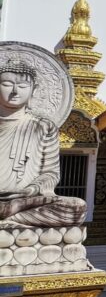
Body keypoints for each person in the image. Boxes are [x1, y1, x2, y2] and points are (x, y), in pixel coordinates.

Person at [0, 63, 85, 227]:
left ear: (33, 90)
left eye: (23, 86)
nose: (15, 91)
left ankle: (11, 220)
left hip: (26, 200)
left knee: (76, 207)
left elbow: (51, 174)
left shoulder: (45, 127)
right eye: (7, 84)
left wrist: (30, 191)